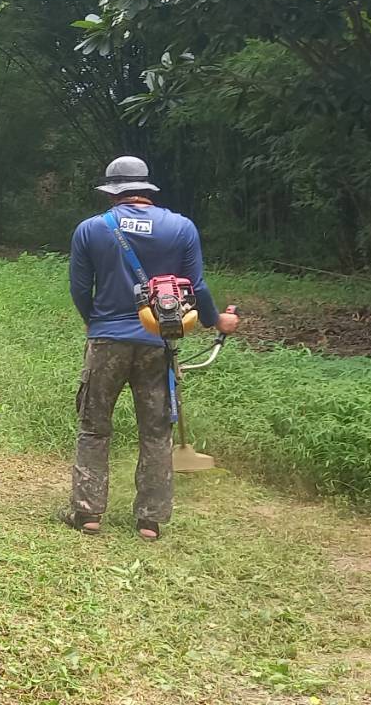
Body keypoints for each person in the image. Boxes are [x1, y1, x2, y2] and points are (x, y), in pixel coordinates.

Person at [64, 156, 239, 541]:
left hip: (107, 341)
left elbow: (79, 287)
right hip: (158, 340)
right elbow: (197, 287)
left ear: (112, 192)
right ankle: (150, 520)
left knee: (94, 427)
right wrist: (215, 321)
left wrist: (94, 321)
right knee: (156, 431)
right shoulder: (181, 227)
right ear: (146, 189)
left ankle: (88, 513)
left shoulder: (91, 229)